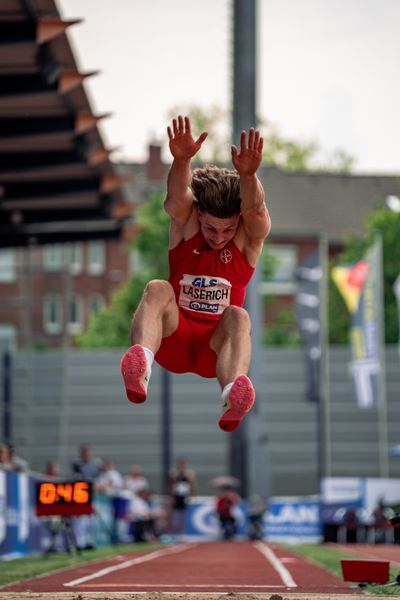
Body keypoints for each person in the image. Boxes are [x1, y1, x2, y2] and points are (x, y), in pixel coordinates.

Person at [120, 115, 271, 431]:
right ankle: (140, 366)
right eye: (211, 229)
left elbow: (255, 211)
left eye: (227, 230)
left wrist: (249, 176)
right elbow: (177, 199)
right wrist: (181, 160)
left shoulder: (246, 239)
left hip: (214, 350)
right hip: (174, 337)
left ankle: (232, 395)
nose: (218, 238)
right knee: (158, 287)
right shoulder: (187, 225)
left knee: (239, 316)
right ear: (199, 215)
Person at [168, 457, 197, 536]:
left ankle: (182, 533)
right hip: (176, 495)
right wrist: (172, 497)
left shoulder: (189, 473)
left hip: (184, 495)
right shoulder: (174, 473)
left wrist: (193, 496)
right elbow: (171, 485)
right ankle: (173, 532)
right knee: (174, 515)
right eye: (181, 465)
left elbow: (192, 485)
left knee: (183, 515)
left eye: (184, 465)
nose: (182, 466)